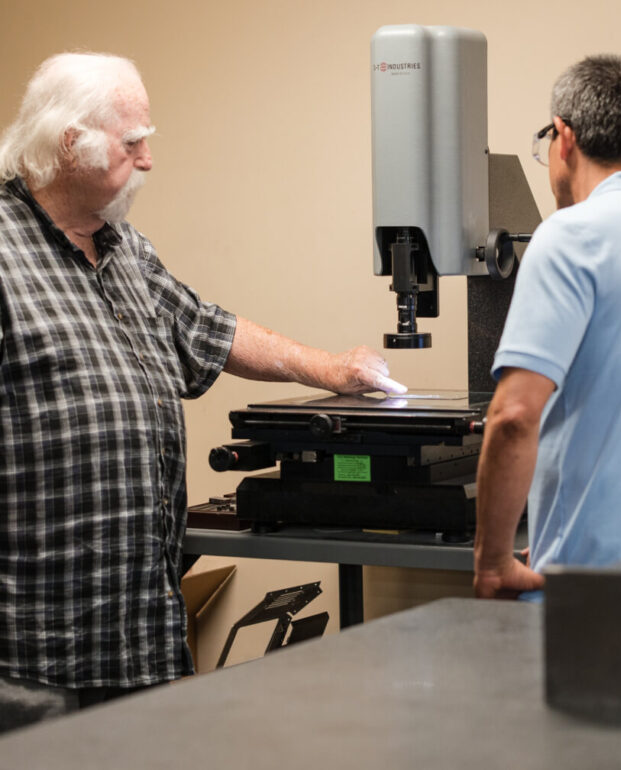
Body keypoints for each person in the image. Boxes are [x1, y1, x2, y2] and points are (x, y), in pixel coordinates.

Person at [0, 51, 406, 731]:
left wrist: (330, 371)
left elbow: (211, 330)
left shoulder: (125, 251)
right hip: (38, 660)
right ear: (70, 144)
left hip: (142, 645)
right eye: (133, 142)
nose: (150, 158)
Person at [473, 54, 621, 600]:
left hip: (590, 597)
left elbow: (516, 415)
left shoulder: (572, 236)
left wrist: (493, 559)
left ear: (563, 138)